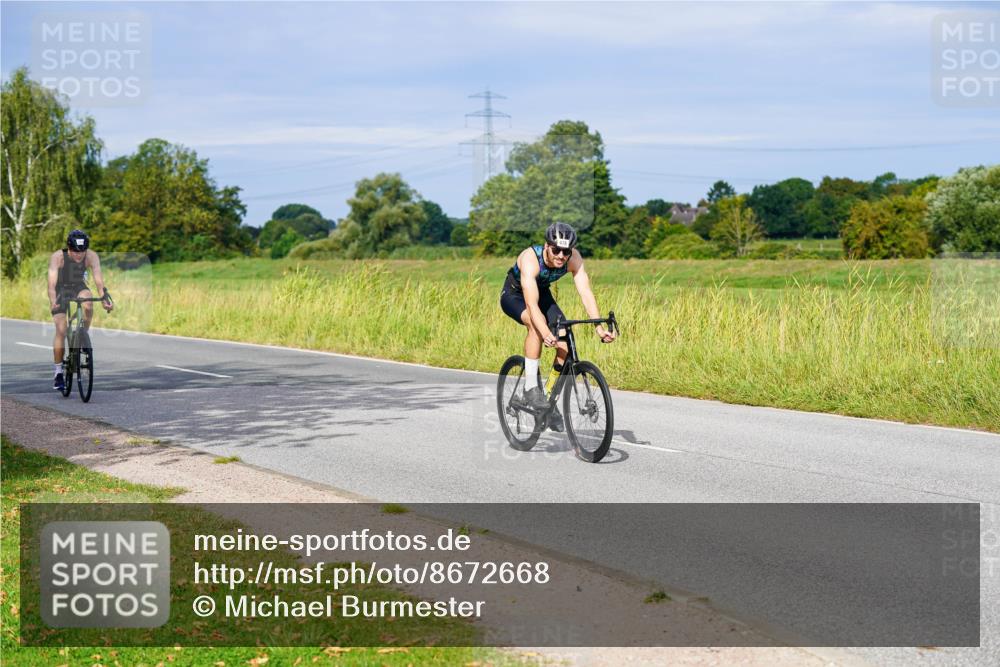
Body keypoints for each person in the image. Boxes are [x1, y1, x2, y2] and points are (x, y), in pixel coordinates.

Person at [499, 222, 616, 430]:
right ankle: (530, 387)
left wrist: (599, 327)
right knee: (535, 326)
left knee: (564, 338)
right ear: (546, 246)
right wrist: (544, 333)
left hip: (542, 293)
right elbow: (531, 305)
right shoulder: (530, 259)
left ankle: (548, 402)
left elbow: (585, 292)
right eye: (556, 250)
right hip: (515, 294)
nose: (561, 256)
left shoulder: (574, 258)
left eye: (566, 251)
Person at [48, 229, 113, 391]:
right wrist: (53, 301)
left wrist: (104, 298)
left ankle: (82, 334)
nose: (79, 256)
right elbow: (51, 285)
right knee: (61, 330)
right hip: (60, 289)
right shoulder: (58, 257)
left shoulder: (91, 256)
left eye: (82, 252)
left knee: (88, 303)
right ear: (68, 248)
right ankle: (58, 372)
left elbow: (98, 279)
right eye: (76, 252)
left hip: (78, 286)